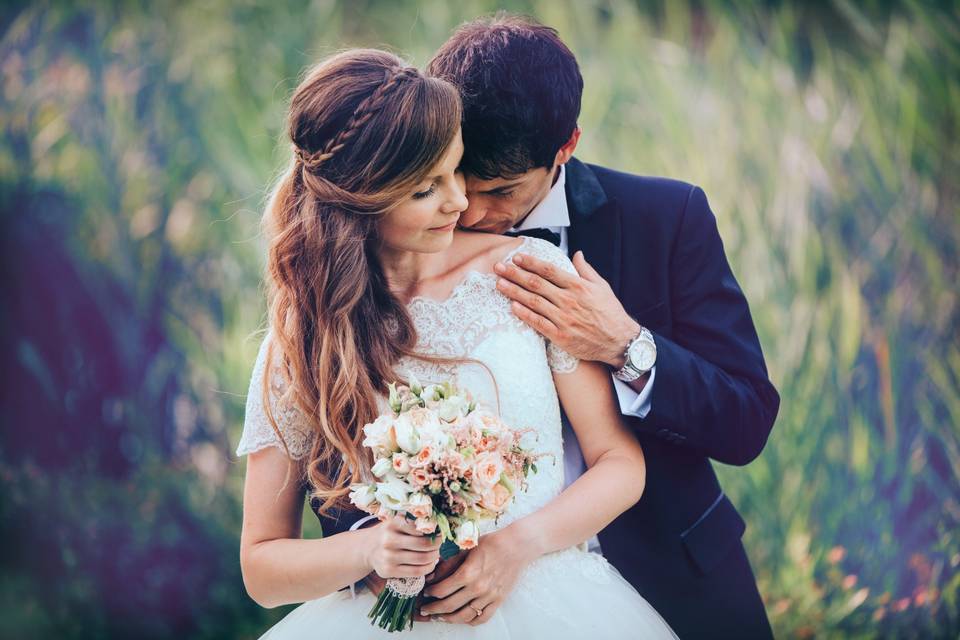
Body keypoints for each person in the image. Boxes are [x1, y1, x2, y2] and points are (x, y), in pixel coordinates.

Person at [236, 49, 676, 638]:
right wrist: (369, 553)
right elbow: (261, 567)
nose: (460, 202)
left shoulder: (526, 273)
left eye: (456, 170)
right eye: (426, 190)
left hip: (553, 606)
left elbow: (620, 464)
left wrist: (520, 544)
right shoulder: (303, 338)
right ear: (361, 198)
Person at [418, 14, 780, 640]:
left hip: (671, 577)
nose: (471, 212)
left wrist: (625, 345)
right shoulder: (410, 230)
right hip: (472, 599)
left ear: (567, 145)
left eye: (502, 191)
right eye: (459, 180)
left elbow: (746, 420)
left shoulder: (666, 218)